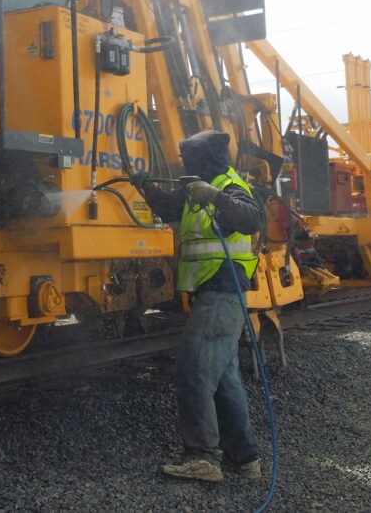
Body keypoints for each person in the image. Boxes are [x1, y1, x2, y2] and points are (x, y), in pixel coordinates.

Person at [132, 130, 263, 483]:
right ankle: (245, 458)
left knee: (192, 371)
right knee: (224, 379)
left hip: (222, 290)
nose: (182, 164)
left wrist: (217, 197)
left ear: (205, 159)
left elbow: (252, 218)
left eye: (188, 158)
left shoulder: (228, 184)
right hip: (216, 293)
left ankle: (202, 457)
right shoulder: (196, 186)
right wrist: (145, 186)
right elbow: (171, 207)